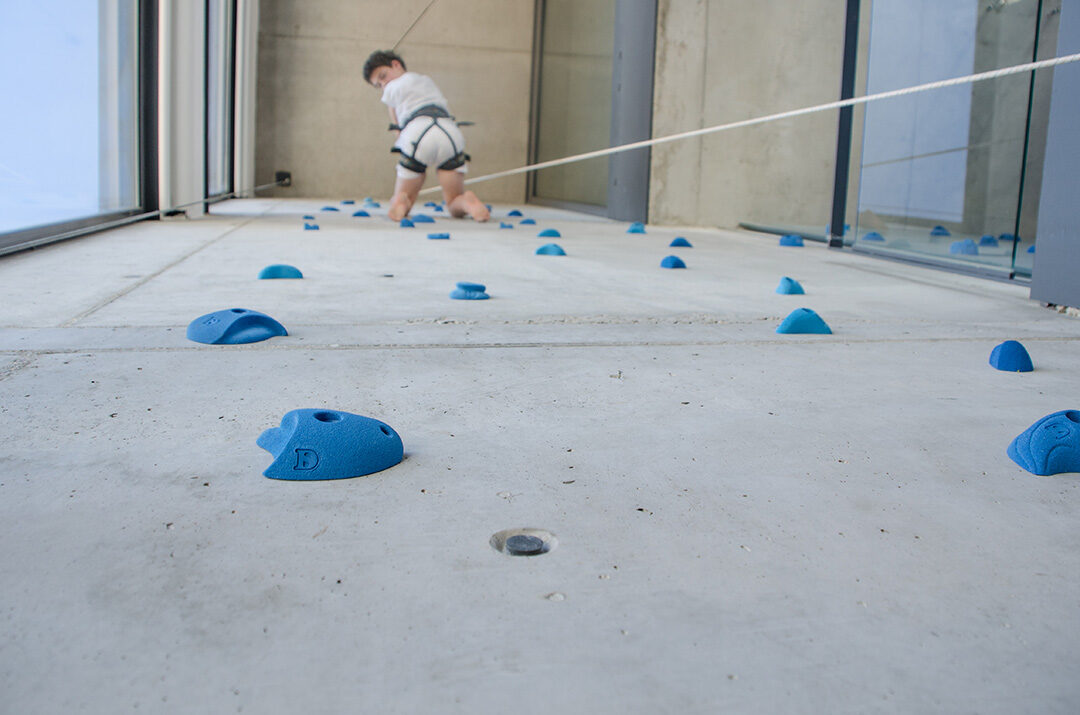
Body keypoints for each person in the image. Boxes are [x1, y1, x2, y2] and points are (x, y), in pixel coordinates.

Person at [362, 50, 490, 222]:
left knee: (405, 196)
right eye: (379, 85)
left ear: (396, 64)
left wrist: (404, 145)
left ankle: (401, 200)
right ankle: (467, 203)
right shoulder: (425, 80)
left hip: (417, 132)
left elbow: (397, 126)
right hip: (449, 133)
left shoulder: (392, 88)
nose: (384, 84)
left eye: (383, 76)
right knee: (453, 202)